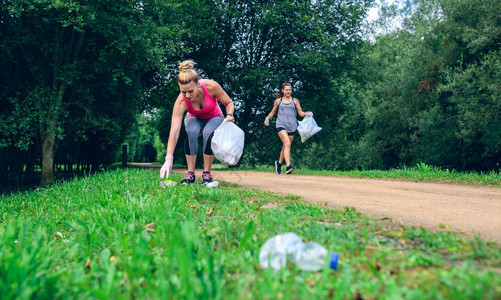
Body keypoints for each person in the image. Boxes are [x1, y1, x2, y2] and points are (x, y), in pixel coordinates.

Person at [160, 60, 235, 184]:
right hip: (194, 118)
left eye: (190, 91)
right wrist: (168, 158)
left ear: (198, 84)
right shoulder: (181, 101)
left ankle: (206, 173)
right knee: (192, 131)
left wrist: (230, 115)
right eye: (183, 92)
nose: (187, 95)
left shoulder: (211, 86)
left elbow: (229, 103)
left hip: (215, 117)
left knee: (208, 132)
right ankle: (190, 174)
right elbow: (174, 131)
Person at [264, 82, 311, 174]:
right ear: (283, 91)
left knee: (286, 145)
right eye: (286, 90)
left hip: (292, 126)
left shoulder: (295, 101)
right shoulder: (278, 101)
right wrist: (267, 118)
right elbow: (273, 112)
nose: (288, 91)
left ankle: (279, 163)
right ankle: (288, 166)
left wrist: (307, 114)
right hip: (281, 125)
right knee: (287, 143)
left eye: (290, 90)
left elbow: (300, 113)